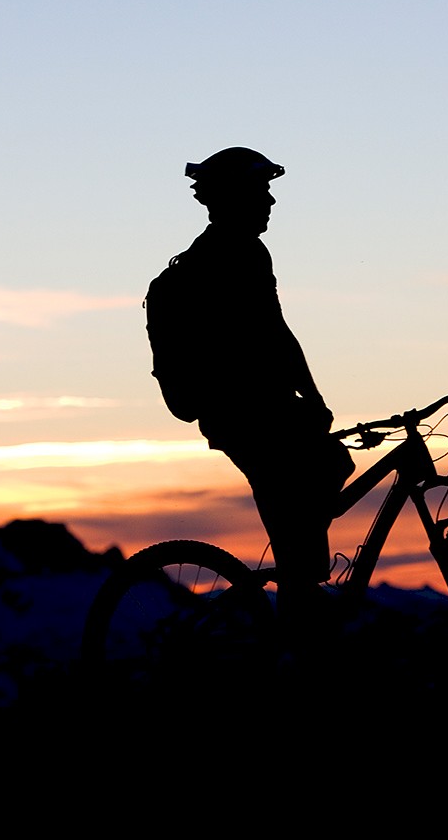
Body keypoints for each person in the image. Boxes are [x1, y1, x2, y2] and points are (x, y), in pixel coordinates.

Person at [144, 146, 355, 647]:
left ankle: (300, 591)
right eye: (262, 191)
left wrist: (309, 398)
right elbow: (273, 335)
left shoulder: (228, 252)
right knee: (325, 468)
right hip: (252, 412)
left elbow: (274, 335)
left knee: (322, 473)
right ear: (236, 198)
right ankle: (296, 617)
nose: (271, 202)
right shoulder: (234, 256)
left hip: (246, 411)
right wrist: (313, 398)